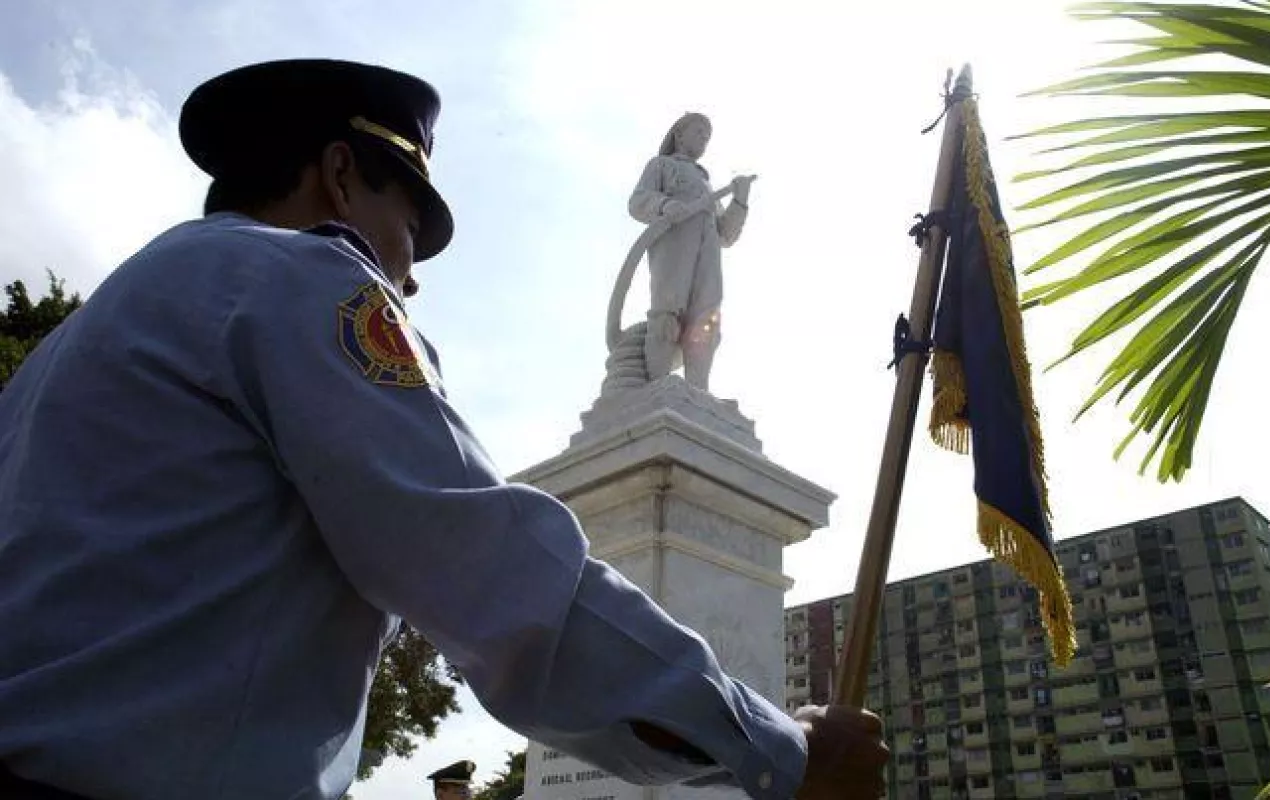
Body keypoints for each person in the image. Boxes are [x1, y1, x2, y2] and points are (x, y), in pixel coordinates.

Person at [0, 59, 888, 800]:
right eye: (409, 228)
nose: (412, 279)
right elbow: (487, 567)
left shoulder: (76, 345)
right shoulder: (301, 279)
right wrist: (781, 751)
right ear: (340, 175)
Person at [627, 112, 752, 391]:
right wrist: (663, 205)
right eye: (698, 132)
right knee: (667, 315)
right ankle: (656, 387)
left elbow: (726, 234)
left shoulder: (706, 186)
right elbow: (637, 202)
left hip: (708, 254)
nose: (703, 140)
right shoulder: (662, 165)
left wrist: (740, 201)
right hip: (674, 245)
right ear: (679, 135)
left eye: (707, 137)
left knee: (706, 319)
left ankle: (697, 390)